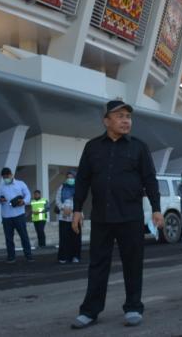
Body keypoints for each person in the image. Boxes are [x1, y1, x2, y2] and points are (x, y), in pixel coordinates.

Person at [70, 100, 163, 329]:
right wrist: (77, 210)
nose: (125, 121)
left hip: (130, 216)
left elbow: (150, 179)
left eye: (128, 117)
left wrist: (157, 208)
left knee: (133, 263)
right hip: (101, 216)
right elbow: (82, 180)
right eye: (120, 116)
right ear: (106, 121)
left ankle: (133, 307)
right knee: (98, 264)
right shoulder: (92, 147)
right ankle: (90, 311)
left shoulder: (139, 147)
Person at [0, 167, 33, 264]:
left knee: (24, 236)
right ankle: (11, 257)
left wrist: (23, 201)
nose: (5, 179)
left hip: (19, 214)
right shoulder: (1, 186)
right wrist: (0, 200)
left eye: (7, 176)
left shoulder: (20, 184)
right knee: (8, 238)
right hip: (6, 216)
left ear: (11, 175)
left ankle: (29, 255)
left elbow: (28, 194)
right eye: (4, 177)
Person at [55, 171, 81, 264]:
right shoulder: (62, 187)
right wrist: (63, 207)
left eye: (72, 177)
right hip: (64, 217)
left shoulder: (79, 188)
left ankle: (75, 256)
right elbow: (57, 199)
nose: (70, 179)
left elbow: (80, 200)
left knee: (75, 238)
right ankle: (63, 257)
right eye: (68, 177)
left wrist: (74, 209)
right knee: (64, 237)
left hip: (75, 216)